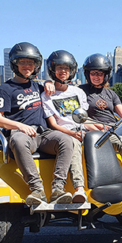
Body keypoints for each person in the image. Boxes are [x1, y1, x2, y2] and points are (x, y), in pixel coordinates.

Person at [0, 42, 74, 206]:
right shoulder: (6, 88)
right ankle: (37, 189)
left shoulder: (39, 86)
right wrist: (18, 126)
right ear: (15, 64)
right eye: (23, 62)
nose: (27, 66)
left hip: (43, 134)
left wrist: (50, 82)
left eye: (31, 63)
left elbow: (59, 90)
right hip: (22, 134)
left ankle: (58, 189)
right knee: (19, 141)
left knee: (66, 140)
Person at [41, 50, 88, 203]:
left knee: (111, 139)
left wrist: (101, 128)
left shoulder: (78, 92)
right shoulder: (46, 95)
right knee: (73, 142)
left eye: (66, 68)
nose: (63, 72)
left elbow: (84, 119)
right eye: (59, 68)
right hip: (65, 133)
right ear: (52, 71)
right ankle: (79, 188)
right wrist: (72, 133)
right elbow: (53, 124)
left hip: (82, 130)